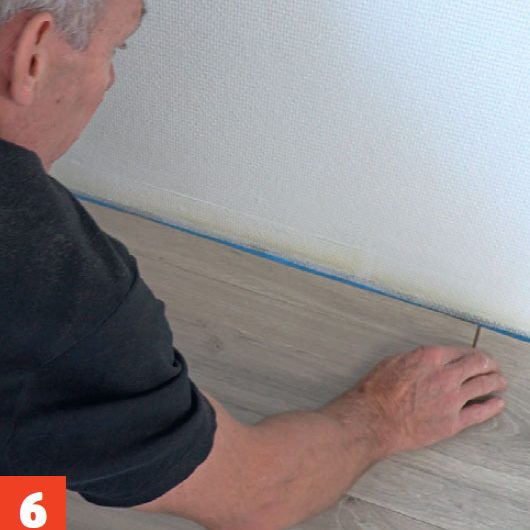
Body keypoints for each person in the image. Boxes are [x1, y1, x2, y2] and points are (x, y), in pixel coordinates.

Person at [0, 1, 508, 529]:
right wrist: (384, 417)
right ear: (33, 55)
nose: (109, 80)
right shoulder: (58, 296)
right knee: (29, 512)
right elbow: (259, 493)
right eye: (116, 47)